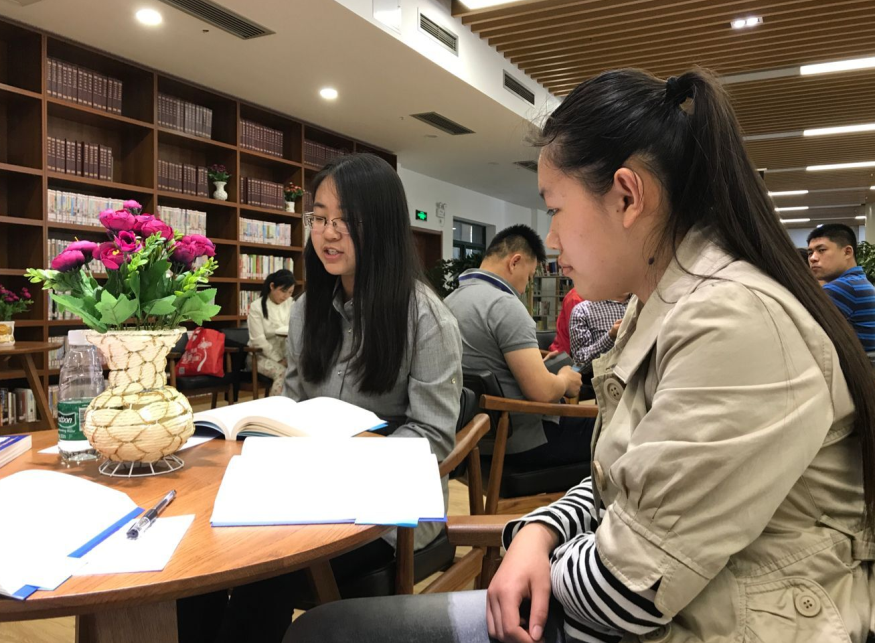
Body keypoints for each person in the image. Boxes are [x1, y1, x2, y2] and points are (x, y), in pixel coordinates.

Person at [286, 69, 875, 643]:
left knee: (325, 630)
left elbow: (628, 590)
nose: (552, 239)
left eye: (555, 209)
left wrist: (537, 560)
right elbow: (623, 480)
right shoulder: (661, 305)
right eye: (320, 219)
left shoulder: (734, 321)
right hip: (664, 602)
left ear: (627, 196)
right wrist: (538, 529)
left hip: (709, 620)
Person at [177, 153, 462, 643]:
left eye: (346, 221)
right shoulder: (308, 311)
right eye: (320, 218)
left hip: (387, 510)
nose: (328, 234)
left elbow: (433, 439)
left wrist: (343, 462)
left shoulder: (426, 318)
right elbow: (292, 403)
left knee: (263, 564)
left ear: (383, 228)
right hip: (307, 490)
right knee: (199, 552)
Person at [445, 224, 586, 467]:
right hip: (519, 441)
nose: (525, 288)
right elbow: (542, 393)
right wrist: (565, 380)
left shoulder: (449, 301)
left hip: (470, 439)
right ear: (515, 262)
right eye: (529, 277)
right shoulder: (505, 306)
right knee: (606, 432)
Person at [807, 223, 875, 352]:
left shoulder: (842, 288)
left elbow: (806, 334)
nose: (813, 258)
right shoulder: (857, 282)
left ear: (847, 252)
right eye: (810, 253)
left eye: (821, 250)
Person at [246, 269, 295, 396]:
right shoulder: (257, 306)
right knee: (282, 373)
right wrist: (279, 359)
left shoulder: (291, 303)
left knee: (303, 372)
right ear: (272, 286)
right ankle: (274, 407)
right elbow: (258, 340)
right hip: (259, 356)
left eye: (290, 292)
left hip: (286, 355)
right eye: (283, 291)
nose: (286, 296)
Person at [567, 295, 629, 373]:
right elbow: (580, 363)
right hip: (606, 376)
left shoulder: (641, 304)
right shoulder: (582, 310)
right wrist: (610, 336)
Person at [548, 287, 583, 354]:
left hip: (577, 352)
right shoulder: (575, 298)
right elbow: (578, 338)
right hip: (564, 354)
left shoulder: (591, 297)